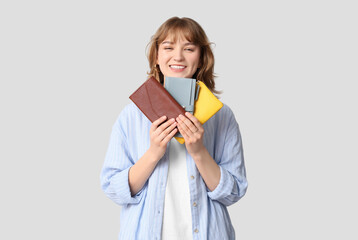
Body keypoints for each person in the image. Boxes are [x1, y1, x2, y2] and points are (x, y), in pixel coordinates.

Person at [100, 16, 248, 240]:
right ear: (157, 57)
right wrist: (153, 153)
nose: (178, 56)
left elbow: (234, 192)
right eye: (168, 47)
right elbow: (113, 188)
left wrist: (199, 152)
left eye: (189, 48)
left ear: (200, 59)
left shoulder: (222, 116)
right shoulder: (131, 116)